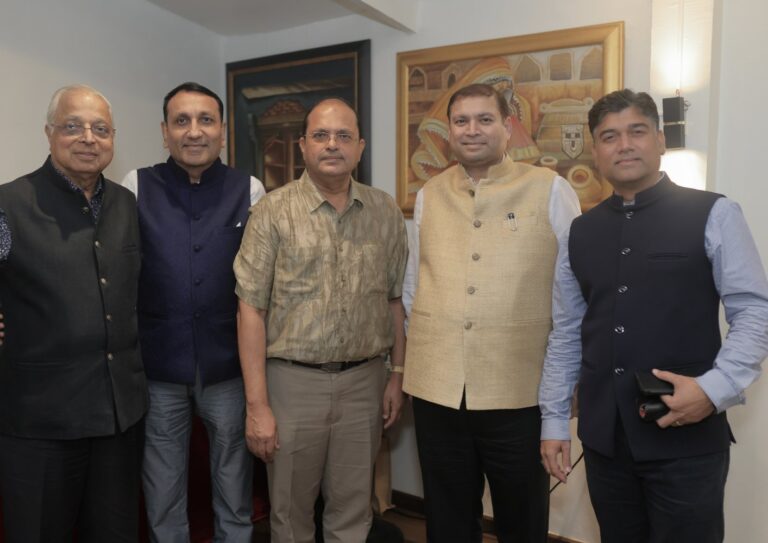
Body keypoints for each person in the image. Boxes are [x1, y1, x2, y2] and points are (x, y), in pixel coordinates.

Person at [539, 89, 768, 543]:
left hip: (687, 439)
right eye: (609, 136)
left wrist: (713, 390)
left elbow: (755, 314)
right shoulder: (579, 232)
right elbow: (567, 331)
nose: (624, 144)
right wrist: (552, 422)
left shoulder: (714, 213)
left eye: (636, 131)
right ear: (596, 150)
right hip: (606, 441)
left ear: (660, 140)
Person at [402, 83, 581, 543]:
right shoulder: (430, 195)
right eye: (461, 121)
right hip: (437, 390)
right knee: (447, 517)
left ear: (507, 126)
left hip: (518, 391)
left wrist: (564, 388)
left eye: (485, 119)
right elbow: (413, 288)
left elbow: (570, 298)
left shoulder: (551, 190)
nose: (472, 130)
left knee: (522, 518)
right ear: (450, 132)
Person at [234, 97, 408, 543]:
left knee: (353, 513)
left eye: (344, 136)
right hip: (292, 386)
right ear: (303, 145)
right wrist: (257, 407)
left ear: (361, 147)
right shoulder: (272, 211)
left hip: (364, 383)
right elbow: (250, 309)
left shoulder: (385, 211)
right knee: (290, 517)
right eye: (321, 135)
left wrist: (397, 376)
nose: (333, 145)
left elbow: (394, 301)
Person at [0, 85, 146, 542]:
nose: (88, 137)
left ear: (113, 138)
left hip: (118, 419)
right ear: (49, 133)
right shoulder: (7, 205)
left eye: (100, 129)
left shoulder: (126, 204)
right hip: (39, 422)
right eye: (73, 126)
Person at [121, 82, 265, 543]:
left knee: (233, 482)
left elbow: (261, 283)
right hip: (159, 365)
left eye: (206, 120)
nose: (194, 131)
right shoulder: (136, 185)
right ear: (164, 132)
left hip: (227, 366)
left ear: (222, 131)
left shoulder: (250, 188)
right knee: (162, 486)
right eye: (181, 121)